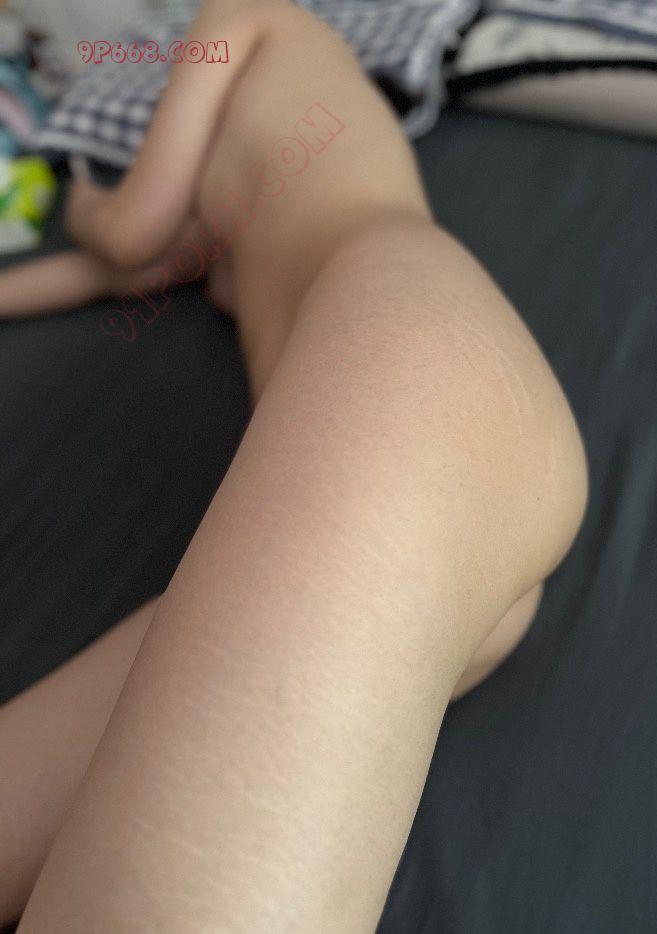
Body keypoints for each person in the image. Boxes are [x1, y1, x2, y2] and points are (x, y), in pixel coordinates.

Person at [0, 0, 588, 929]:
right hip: (422, 473)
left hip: (409, 368)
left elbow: (127, 235)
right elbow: (128, 272)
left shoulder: (243, 15)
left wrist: (85, 204)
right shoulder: (255, 178)